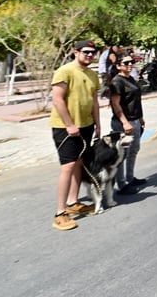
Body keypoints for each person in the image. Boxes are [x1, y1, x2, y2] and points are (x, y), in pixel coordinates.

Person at [49, 40, 101, 230]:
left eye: (93, 52)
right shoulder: (65, 71)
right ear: (75, 52)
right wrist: (70, 124)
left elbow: (94, 102)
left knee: (79, 163)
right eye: (86, 52)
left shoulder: (92, 74)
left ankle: (72, 203)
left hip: (86, 125)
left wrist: (98, 125)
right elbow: (57, 99)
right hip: (65, 128)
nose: (89, 55)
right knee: (68, 166)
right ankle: (59, 213)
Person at [108, 55, 146, 195]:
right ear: (118, 65)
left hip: (135, 120)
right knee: (122, 155)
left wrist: (140, 117)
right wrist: (124, 122)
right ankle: (121, 184)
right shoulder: (117, 81)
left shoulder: (130, 79)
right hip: (124, 123)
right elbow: (115, 104)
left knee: (134, 150)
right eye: (126, 62)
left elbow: (136, 100)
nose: (130, 64)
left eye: (132, 62)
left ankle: (130, 178)